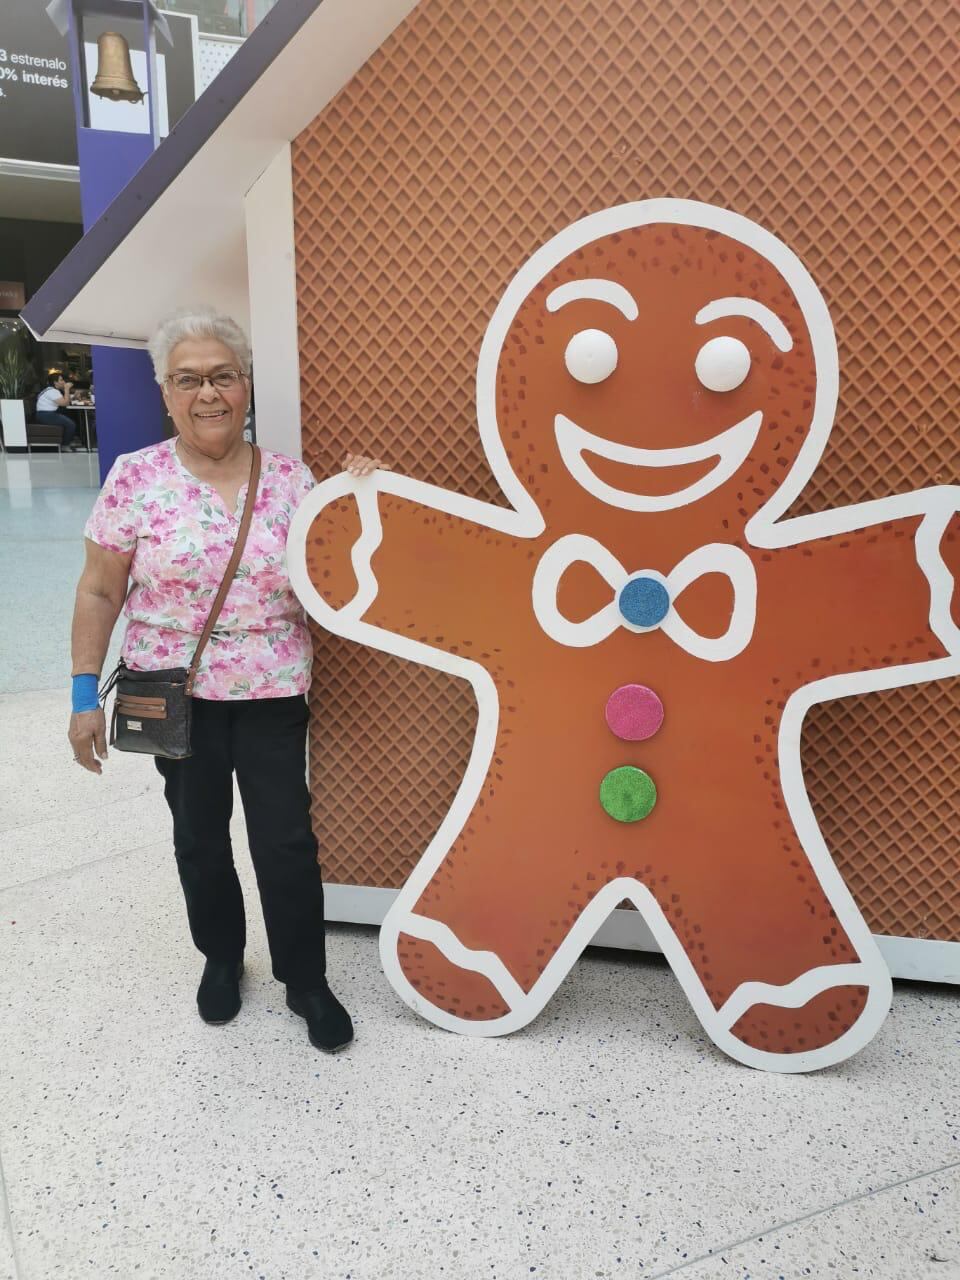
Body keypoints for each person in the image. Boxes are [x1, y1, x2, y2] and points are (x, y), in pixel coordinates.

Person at [67, 306, 382, 1052]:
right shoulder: (135, 478)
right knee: (199, 836)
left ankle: (305, 978)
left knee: (286, 840)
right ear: (165, 393)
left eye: (223, 377)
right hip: (171, 694)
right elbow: (99, 590)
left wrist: (360, 499)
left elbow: (337, 575)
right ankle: (220, 957)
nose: (207, 393)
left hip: (272, 690)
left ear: (245, 386)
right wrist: (83, 695)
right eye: (188, 380)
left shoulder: (293, 480)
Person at [36, 373, 80, 450]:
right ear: (55, 382)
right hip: (45, 415)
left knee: (70, 416)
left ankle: (69, 440)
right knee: (71, 424)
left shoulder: (51, 390)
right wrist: (66, 389)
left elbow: (64, 400)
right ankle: (65, 445)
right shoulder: (52, 391)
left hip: (44, 414)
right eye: (61, 380)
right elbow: (65, 403)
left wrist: (73, 397)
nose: (64, 382)